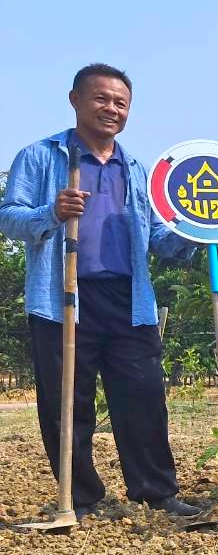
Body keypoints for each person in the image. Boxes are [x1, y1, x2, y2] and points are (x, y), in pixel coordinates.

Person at [0, 64, 200, 520]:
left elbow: (159, 240)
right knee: (66, 402)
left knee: (144, 395)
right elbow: (8, 215)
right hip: (62, 296)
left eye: (121, 103)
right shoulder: (41, 156)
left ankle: (156, 491)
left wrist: (196, 231)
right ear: (75, 100)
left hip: (129, 300)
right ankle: (82, 497)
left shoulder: (137, 170)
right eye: (101, 99)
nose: (111, 109)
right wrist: (50, 212)